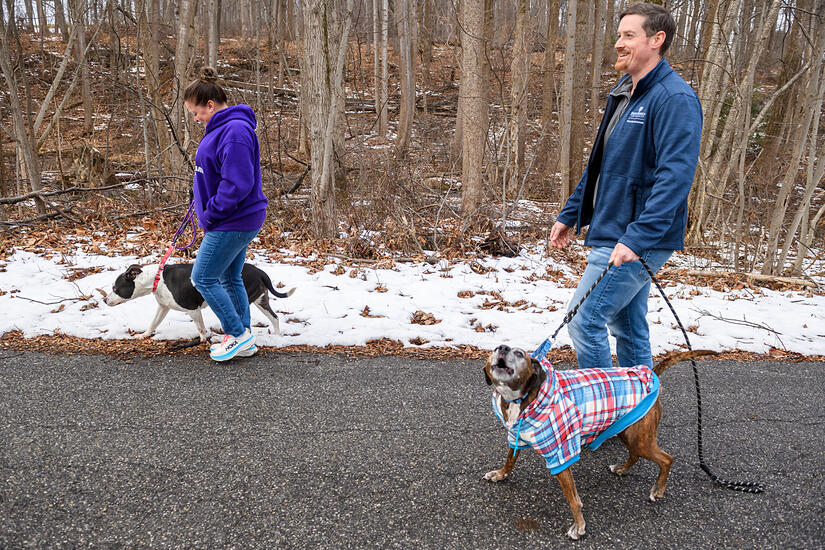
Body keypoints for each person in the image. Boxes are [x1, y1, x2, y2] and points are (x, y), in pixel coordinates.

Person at [549, 3, 702, 371]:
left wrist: (638, 237)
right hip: (612, 227)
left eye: (629, 35)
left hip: (637, 235)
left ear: (657, 40)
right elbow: (601, 165)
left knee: (584, 321)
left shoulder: (673, 98)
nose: (618, 43)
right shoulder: (623, 93)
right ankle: (637, 416)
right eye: (619, 35)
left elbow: (675, 177)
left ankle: (602, 414)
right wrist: (572, 213)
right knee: (628, 326)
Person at [183, 67, 268, 361]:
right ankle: (242, 336)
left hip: (233, 219)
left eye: (196, 112)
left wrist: (212, 212)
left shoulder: (235, 131)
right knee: (230, 278)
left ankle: (237, 333)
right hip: (232, 218)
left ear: (210, 104)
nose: (195, 119)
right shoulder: (223, 129)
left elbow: (238, 183)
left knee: (203, 277)